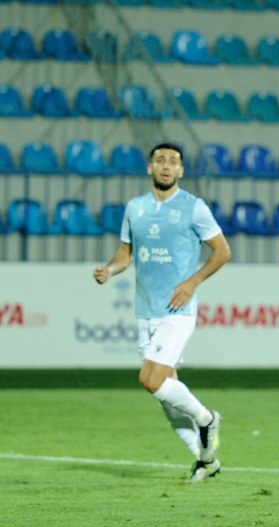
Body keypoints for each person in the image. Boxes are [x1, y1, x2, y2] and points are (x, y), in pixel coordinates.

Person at [93, 143, 231, 483]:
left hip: (177, 309)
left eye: (173, 162)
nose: (167, 166)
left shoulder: (193, 207)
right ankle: (206, 460)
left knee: (150, 380)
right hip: (145, 311)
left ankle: (207, 418)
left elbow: (222, 251)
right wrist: (110, 270)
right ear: (150, 168)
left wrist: (193, 282)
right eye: (160, 160)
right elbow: (126, 254)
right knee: (166, 395)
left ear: (181, 171)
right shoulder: (135, 208)